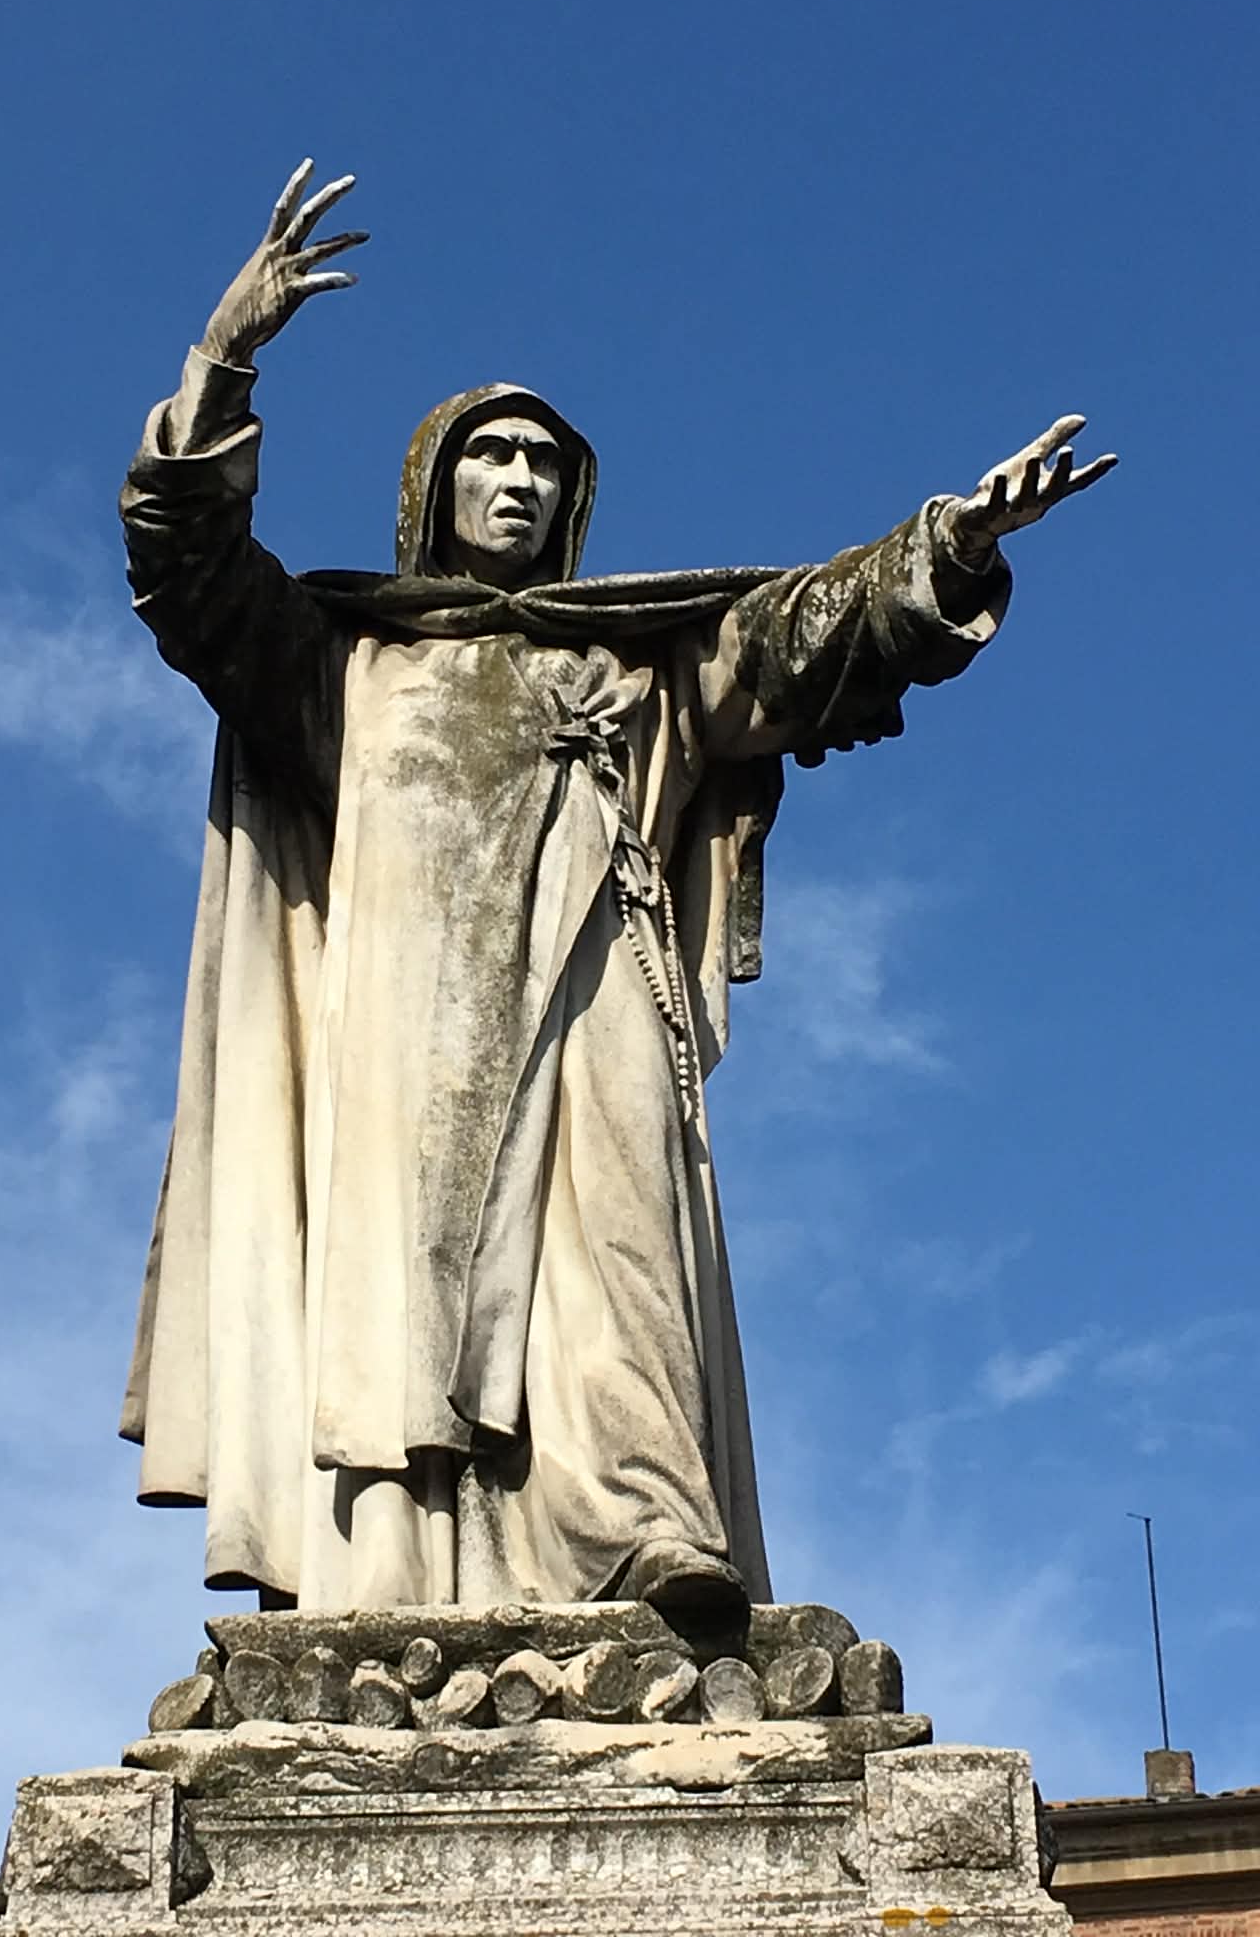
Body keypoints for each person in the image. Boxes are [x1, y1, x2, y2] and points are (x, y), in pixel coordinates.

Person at [117, 162, 1115, 1619]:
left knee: (624, 1242)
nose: (520, 481)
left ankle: (649, 1533)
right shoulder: (348, 661)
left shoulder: (637, 660)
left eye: (545, 464)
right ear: (436, 486)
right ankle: (393, 1580)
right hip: (406, 1027)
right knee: (408, 1295)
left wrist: (948, 547)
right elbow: (189, 574)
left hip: (601, 989)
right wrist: (224, 361)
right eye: (492, 456)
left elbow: (802, 643)